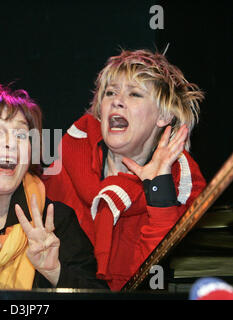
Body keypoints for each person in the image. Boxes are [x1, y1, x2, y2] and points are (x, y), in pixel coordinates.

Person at [43, 49, 206, 291]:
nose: (117, 100)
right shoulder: (66, 161)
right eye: (110, 93)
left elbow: (150, 282)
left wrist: (159, 191)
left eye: (134, 94)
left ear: (164, 115)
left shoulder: (183, 183)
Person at [0, 85, 108, 290]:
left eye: (21, 135)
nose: (11, 143)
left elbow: (99, 295)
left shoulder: (55, 222)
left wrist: (55, 272)